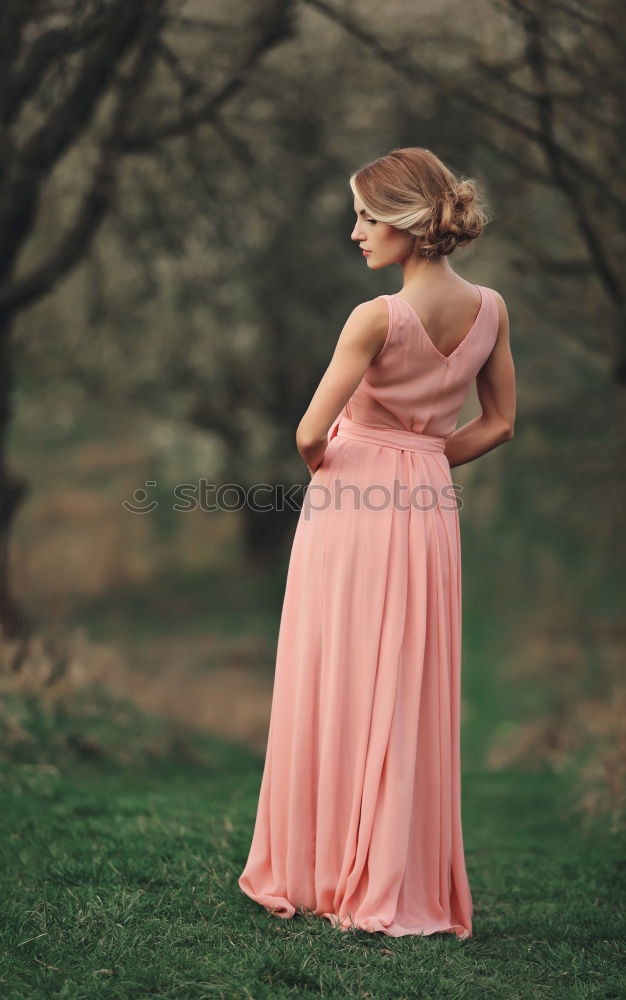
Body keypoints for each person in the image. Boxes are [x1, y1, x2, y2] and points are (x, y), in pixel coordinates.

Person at [237, 146, 516, 938]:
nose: (354, 231)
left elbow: (306, 433)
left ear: (408, 222)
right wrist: (423, 458)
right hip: (428, 506)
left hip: (353, 504)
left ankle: (321, 868)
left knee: (335, 669)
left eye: (366, 216)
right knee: (406, 679)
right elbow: (499, 423)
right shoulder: (492, 308)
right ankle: (396, 873)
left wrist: (342, 461)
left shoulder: (375, 317)